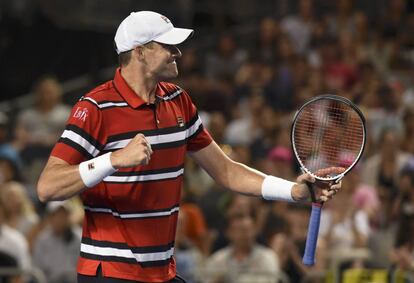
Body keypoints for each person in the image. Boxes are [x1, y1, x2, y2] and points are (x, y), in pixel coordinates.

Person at [37, 11, 341, 283]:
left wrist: (295, 191)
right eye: (168, 46)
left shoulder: (178, 100)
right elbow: (48, 187)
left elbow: (226, 171)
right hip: (110, 272)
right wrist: (112, 160)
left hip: (162, 271)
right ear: (141, 52)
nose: (178, 53)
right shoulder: (95, 108)